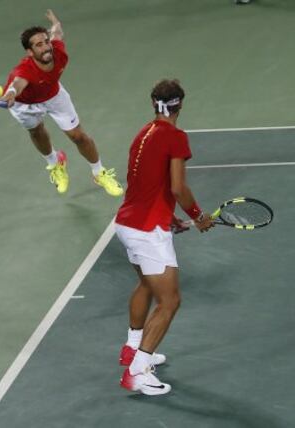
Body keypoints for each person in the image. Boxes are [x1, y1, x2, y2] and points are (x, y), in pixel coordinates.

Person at [115, 79, 214, 395]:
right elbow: (176, 187)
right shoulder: (175, 137)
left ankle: (133, 348)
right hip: (146, 232)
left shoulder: (142, 134)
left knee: (146, 284)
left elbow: (143, 184)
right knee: (170, 301)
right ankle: (137, 371)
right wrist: (198, 216)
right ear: (180, 104)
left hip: (127, 224)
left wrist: (170, 218)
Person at [1, 10, 123, 197]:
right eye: (39, 45)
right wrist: (10, 92)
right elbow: (17, 83)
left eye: (46, 42)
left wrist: (55, 22)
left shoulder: (59, 52)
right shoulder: (25, 70)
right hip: (23, 104)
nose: (46, 47)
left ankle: (99, 173)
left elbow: (57, 33)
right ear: (29, 51)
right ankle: (54, 162)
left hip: (53, 96)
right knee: (36, 131)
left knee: (78, 136)